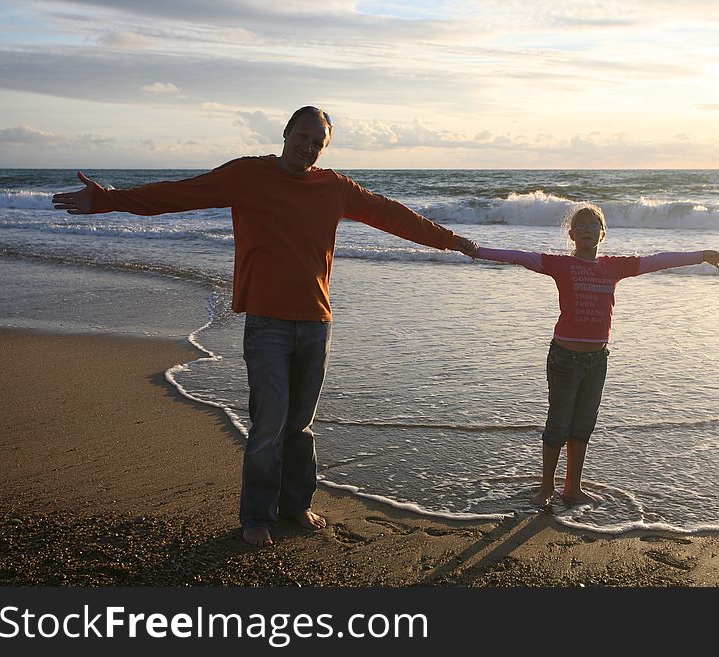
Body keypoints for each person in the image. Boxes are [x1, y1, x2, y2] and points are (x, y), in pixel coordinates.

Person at [52, 106, 477, 546]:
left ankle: (296, 506)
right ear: (286, 132)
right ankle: (257, 516)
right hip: (267, 324)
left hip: (316, 323)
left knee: (300, 424)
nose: (309, 147)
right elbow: (179, 195)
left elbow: (393, 215)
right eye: (304, 137)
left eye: (318, 143)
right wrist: (110, 199)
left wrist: (452, 240)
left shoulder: (335, 188)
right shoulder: (247, 175)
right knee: (269, 423)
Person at [471, 203, 719, 506]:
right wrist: (476, 250)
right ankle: (546, 488)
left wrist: (700, 256)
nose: (589, 230)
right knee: (558, 423)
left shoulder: (614, 267)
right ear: (572, 234)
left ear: (603, 234)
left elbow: (658, 261)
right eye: (582, 225)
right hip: (564, 357)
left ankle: (572, 487)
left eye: (595, 225)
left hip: (597, 359)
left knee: (583, 425)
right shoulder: (560, 264)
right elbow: (518, 257)